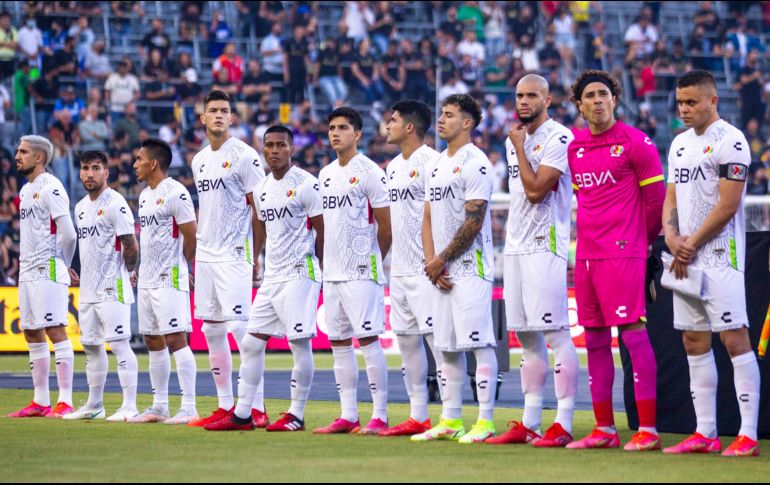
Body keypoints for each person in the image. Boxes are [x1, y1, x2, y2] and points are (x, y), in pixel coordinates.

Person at [662, 70, 760, 457]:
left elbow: (728, 204)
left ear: (712, 100)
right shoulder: (679, 144)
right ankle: (705, 432)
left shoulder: (731, 140)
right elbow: (671, 197)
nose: (684, 109)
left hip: (720, 254)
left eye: (691, 102)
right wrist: (672, 238)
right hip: (686, 256)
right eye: (680, 102)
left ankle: (748, 435)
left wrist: (691, 244)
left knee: (734, 338)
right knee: (692, 339)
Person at [566, 70, 665, 451]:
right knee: (592, 339)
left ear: (614, 99)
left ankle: (648, 430)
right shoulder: (575, 149)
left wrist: (639, 244)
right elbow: (584, 201)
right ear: (580, 104)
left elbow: (655, 204)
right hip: (588, 254)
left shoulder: (636, 143)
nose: (597, 100)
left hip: (624, 253)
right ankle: (604, 429)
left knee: (633, 335)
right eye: (589, 95)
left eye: (603, 94)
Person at [205, 125, 323, 432]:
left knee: (299, 344)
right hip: (272, 277)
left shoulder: (307, 185)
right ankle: (244, 413)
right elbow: (259, 225)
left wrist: (320, 266)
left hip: (301, 273)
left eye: (280, 145)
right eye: (268, 145)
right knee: (252, 342)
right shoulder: (261, 190)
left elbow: (323, 231)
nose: (273, 151)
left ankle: (296, 414)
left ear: (291, 149)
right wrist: (256, 257)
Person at [485, 74, 578, 447]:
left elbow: (537, 191)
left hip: (546, 243)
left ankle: (565, 420)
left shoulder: (559, 138)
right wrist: (518, 145)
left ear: (548, 99)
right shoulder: (515, 139)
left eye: (531, 96)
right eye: (519, 95)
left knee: (555, 332)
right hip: (516, 245)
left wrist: (520, 147)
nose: (523, 102)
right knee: (525, 335)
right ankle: (530, 421)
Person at [411, 94, 497, 444]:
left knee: (479, 344)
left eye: (449, 115)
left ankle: (486, 421)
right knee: (445, 347)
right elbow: (428, 215)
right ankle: (450, 419)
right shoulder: (436, 164)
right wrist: (432, 263)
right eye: (441, 114)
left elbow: (474, 221)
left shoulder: (476, 163)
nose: (441, 120)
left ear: (467, 123)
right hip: (441, 270)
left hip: (470, 268)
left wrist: (441, 259)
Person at [187, 90, 267, 428]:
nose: (219, 115)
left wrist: (256, 255)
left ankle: (257, 407)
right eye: (213, 110)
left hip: (235, 254)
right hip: (206, 256)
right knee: (211, 329)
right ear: (202, 118)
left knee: (242, 330)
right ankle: (224, 404)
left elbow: (261, 208)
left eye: (225, 110)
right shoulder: (199, 160)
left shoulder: (246, 156)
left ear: (232, 117)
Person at [312, 107, 392, 435]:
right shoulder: (326, 174)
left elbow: (386, 226)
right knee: (339, 343)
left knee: (369, 340)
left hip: (361, 271)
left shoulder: (371, 171)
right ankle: (348, 415)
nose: (335, 133)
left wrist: (373, 258)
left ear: (357, 134)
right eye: (332, 127)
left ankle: (381, 415)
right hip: (332, 273)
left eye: (343, 127)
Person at [380, 100, 444, 436]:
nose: (387, 125)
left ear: (409, 127)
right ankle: (418, 414)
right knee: (406, 343)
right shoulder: (392, 167)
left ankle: (450, 416)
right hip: (400, 270)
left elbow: (442, 215)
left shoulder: (433, 163)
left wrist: (438, 259)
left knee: (438, 342)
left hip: (426, 269)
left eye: (393, 120)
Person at [128, 138, 199, 424]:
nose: (135, 165)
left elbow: (191, 234)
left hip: (169, 276)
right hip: (146, 278)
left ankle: (190, 406)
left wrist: (183, 266)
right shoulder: (145, 196)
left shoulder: (176, 192)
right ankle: (159, 406)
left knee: (175, 338)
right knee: (152, 340)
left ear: (153, 163)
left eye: (139, 159)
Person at [65, 150, 140, 422]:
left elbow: (131, 244)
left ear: (106, 172)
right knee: (91, 345)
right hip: (88, 289)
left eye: (95, 168)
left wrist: (128, 272)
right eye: (85, 168)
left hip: (112, 287)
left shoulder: (116, 203)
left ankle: (129, 406)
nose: (89, 173)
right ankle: (94, 405)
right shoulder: (81, 206)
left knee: (120, 345)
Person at [7, 136, 76, 419]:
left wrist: (64, 263)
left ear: (39, 157)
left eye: (23, 152)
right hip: (26, 270)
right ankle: (40, 400)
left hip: (48, 267)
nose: (17, 156)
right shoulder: (25, 191)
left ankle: (66, 401)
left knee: (55, 329)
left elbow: (69, 233)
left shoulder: (52, 187)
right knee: (32, 331)